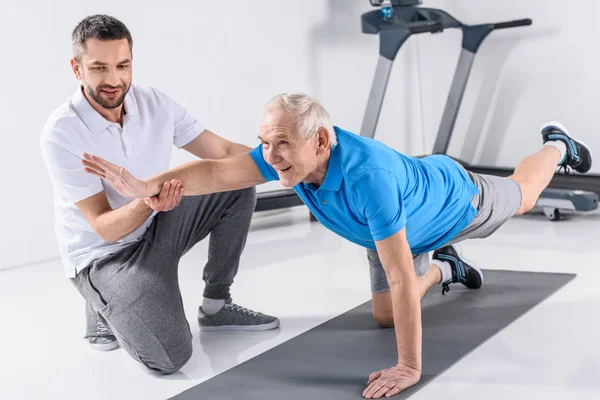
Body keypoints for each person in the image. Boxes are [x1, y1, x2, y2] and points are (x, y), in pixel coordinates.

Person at [81, 92, 592, 398]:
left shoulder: (369, 178)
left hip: (455, 200)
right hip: (388, 227)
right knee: (388, 316)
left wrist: (410, 368)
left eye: (282, 142)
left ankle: (556, 145)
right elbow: (216, 171)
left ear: (321, 141)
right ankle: (445, 271)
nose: (270, 154)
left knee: (523, 196)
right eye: (265, 140)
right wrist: (148, 187)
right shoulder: (286, 156)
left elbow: (396, 274)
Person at [39, 14, 279, 374]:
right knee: (170, 358)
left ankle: (216, 305)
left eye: (122, 65)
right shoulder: (62, 132)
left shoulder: (154, 103)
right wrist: (145, 200)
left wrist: (289, 160)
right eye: (99, 67)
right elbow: (104, 227)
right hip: (107, 257)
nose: (114, 80)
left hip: (157, 223)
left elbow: (225, 153)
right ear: (76, 68)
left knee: (236, 182)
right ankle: (101, 301)